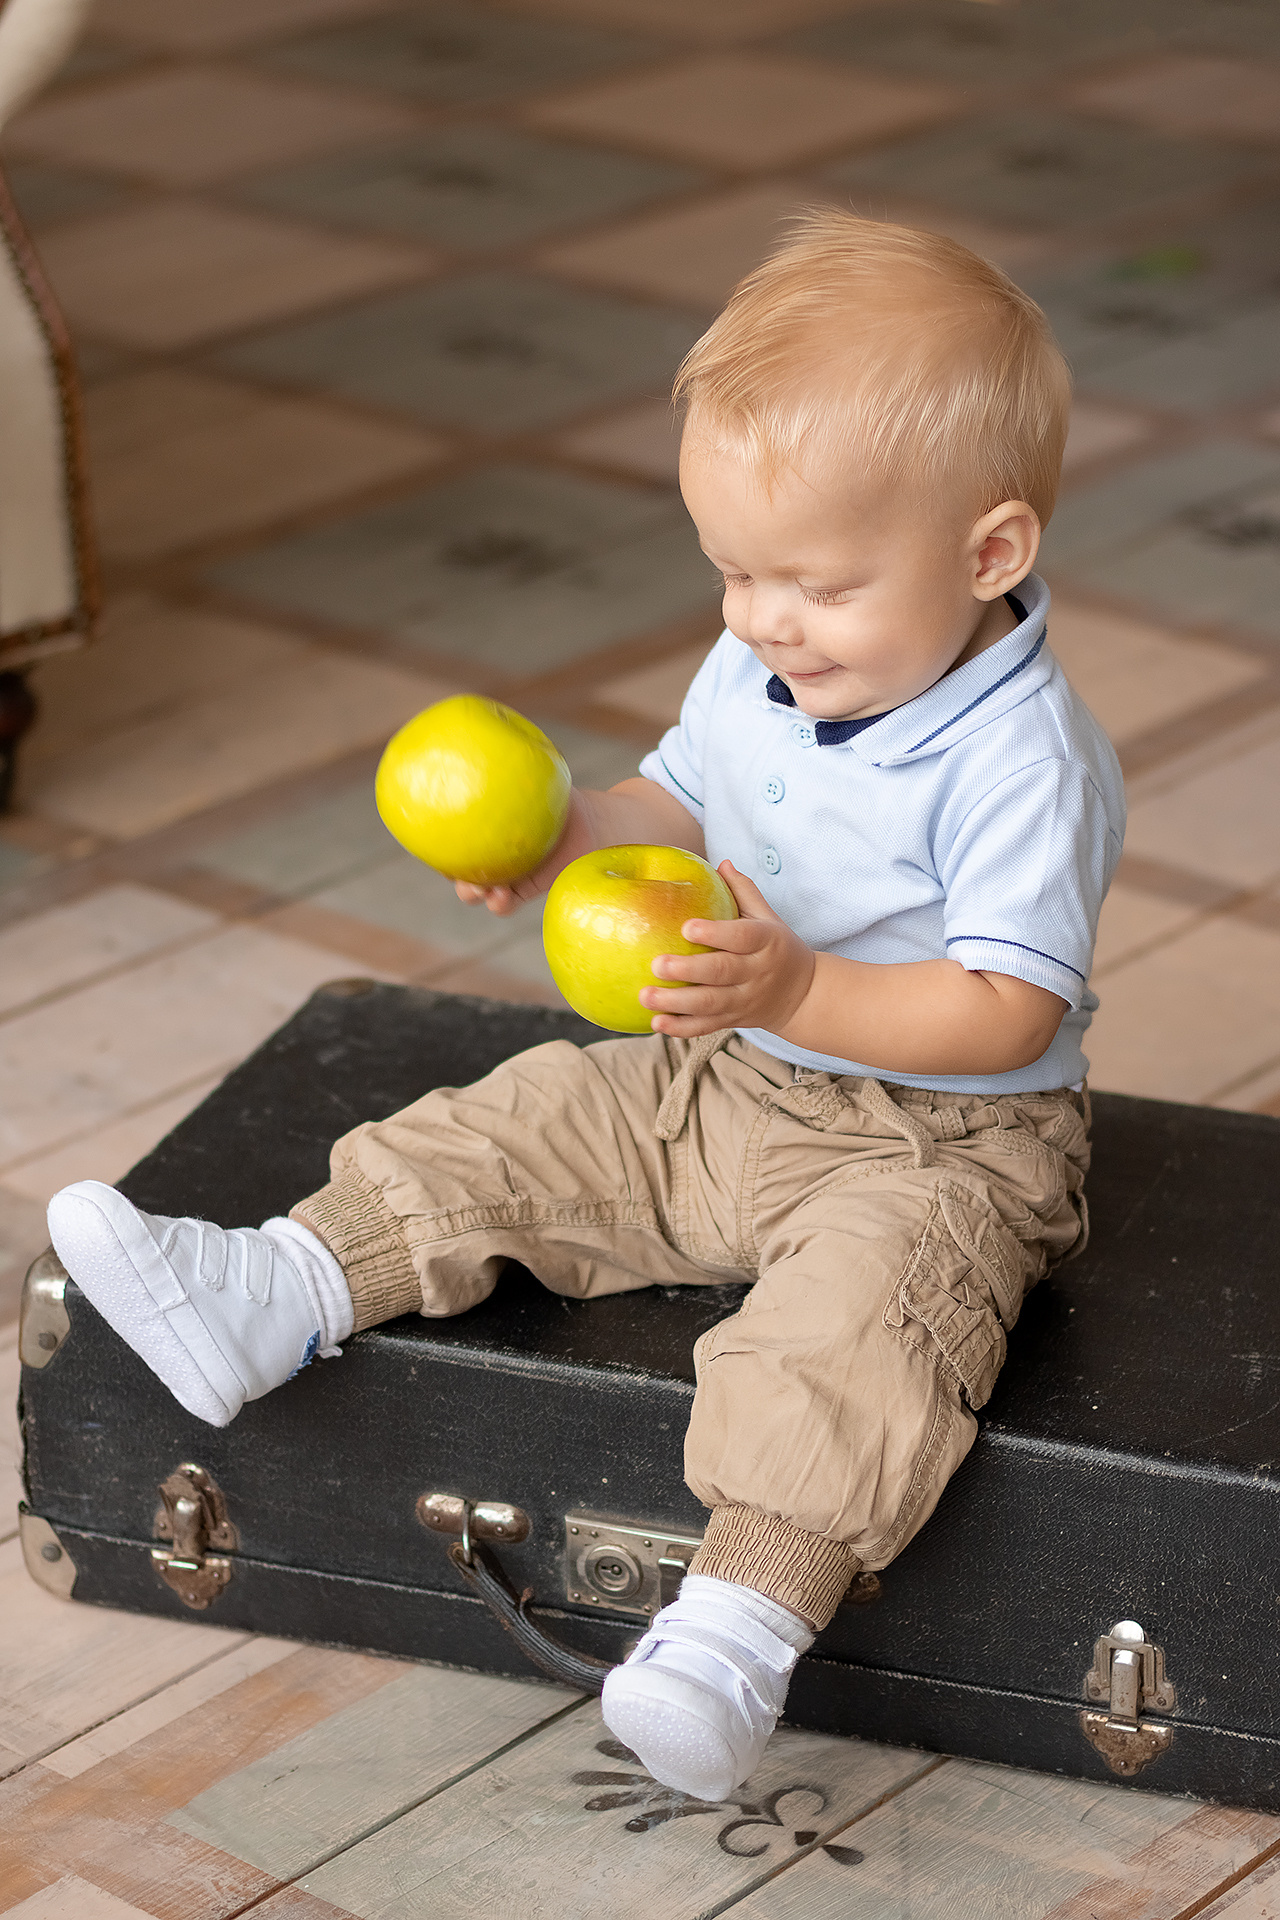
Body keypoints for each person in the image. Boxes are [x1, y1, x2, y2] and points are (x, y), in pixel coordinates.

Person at [46, 211, 1123, 1804]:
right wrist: (559, 832)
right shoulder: (768, 664)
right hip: (737, 1074)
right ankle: (275, 1288)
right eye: (733, 572)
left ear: (991, 555)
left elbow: (1004, 1016)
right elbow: (671, 806)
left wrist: (809, 982)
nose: (762, 618)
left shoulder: (1023, 759)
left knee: (857, 1334)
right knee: (532, 1119)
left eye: (814, 583)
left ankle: (736, 1629)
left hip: (944, 1146)